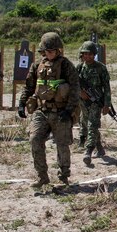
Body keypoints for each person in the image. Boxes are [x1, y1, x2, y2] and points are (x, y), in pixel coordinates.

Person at [19, 32, 79, 187]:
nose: (50, 53)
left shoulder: (66, 65)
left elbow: (75, 89)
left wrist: (69, 110)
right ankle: (42, 177)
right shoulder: (36, 66)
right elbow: (29, 86)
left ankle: (63, 178)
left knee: (62, 145)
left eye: (53, 50)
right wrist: (21, 103)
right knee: (35, 140)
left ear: (59, 50)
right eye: (47, 51)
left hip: (61, 112)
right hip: (42, 110)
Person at [76, 41, 111, 166]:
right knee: (85, 124)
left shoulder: (101, 68)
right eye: (85, 54)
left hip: (96, 102)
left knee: (92, 125)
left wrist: (107, 104)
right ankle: (99, 147)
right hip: (83, 102)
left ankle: (88, 151)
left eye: (90, 54)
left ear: (94, 55)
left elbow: (106, 87)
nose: (87, 57)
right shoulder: (79, 68)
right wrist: (81, 93)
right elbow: (74, 83)